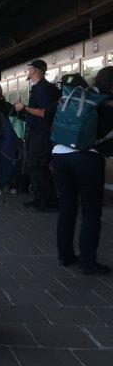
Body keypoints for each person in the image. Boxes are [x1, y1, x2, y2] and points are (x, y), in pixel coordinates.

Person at [46, 70, 113, 275]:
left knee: (67, 208)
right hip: (87, 158)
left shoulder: (74, 94)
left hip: (59, 155)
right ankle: (87, 262)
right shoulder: (106, 100)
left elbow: (48, 114)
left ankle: (64, 256)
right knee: (91, 211)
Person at [13, 60, 60, 212]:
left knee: (37, 165)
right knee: (35, 166)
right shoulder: (39, 87)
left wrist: (24, 107)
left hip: (42, 133)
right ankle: (40, 199)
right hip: (36, 133)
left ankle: (49, 202)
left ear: (33, 70)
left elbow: (45, 112)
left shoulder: (45, 89)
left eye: (29, 69)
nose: (28, 71)